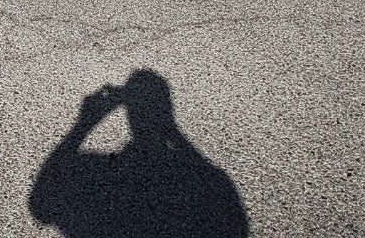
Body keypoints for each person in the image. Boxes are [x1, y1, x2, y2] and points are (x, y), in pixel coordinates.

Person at [29, 68, 248, 237]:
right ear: (167, 114)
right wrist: (170, 131)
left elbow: (42, 200)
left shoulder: (108, 180)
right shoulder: (203, 184)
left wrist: (85, 122)